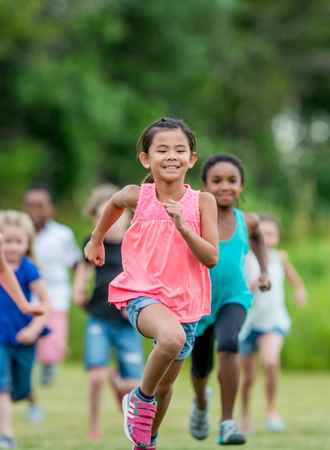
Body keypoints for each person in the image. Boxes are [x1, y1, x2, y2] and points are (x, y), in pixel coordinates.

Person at [84, 117, 218, 450]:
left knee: (165, 386)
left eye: (179, 150)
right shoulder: (137, 196)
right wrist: (96, 239)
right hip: (141, 291)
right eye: (162, 149)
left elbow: (211, 257)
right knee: (170, 339)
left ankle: (145, 442)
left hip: (186, 301)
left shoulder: (202, 203)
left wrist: (185, 227)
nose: (171, 156)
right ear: (146, 159)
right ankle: (138, 398)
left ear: (192, 159)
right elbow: (114, 202)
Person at [189, 154, 271, 446]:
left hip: (234, 296)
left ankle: (227, 422)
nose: (225, 187)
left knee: (229, 342)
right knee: (200, 368)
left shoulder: (247, 220)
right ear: (204, 186)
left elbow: (259, 238)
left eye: (232, 181)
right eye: (217, 181)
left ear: (242, 186)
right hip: (198, 301)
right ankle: (200, 403)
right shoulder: (194, 218)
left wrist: (263, 271)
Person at [73, 184, 144, 442]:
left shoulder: (135, 244)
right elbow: (84, 270)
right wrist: (78, 289)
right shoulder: (93, 242)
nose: (112, 222)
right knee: (95, 377)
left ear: (128, 216)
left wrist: (137, 304)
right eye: (104, 216)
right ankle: (94, 424)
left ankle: (124, 397)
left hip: (128, 322)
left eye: (117, 215)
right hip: (100, 318)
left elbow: (144, 277)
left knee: (133, 383)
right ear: (96, 218)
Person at [240, 215, 307, 433]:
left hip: (273, 320)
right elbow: (240, 290)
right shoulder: (246, 259)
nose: (267, 239)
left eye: (271, 234)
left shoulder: (280, 258)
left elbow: (295, 280)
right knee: (248, 377)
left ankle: (272, 411)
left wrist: (299, 291)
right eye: (262, 234)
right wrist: (253, 285)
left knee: (270, 362)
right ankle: (245, 416)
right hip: (247, 324)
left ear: (277, 237)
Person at [0, 211, 49, 449]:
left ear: (27, 243)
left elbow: (44, 304)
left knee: (21, 387)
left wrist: (34, 328)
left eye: (17, 241)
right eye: (6, 241)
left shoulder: (29, 269)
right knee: (2, 385)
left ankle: (29, 401)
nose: (11, 247)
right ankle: (7, 435)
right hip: (0, 336)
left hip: (23, 336)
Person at [24, 186, 81, 385]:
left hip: (56, 295)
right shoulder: (20, 234)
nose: (35, 211)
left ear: (50, 209)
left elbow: (75, 263)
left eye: (40, 206)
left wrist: (80, 286)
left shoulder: (62, 234)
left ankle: (48, 368)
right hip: (26, 295)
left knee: (52, 340)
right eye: (30, 206)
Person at [0, 233, 45, 316]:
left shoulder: (28, 267)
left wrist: (24, 305)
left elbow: (2, 269)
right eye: (8, 241)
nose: (13, 247)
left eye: (18, 242)